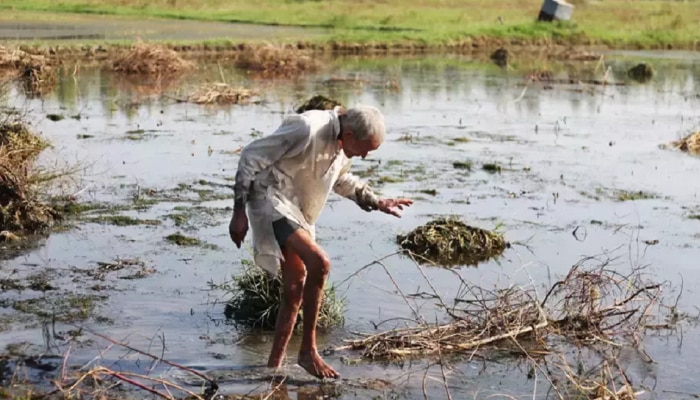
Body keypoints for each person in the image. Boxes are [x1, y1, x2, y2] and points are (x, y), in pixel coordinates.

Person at [228, 104, 413, 379]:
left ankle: (272, 369)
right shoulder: (307, 128)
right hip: (270, 198)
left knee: (295, 288)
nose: (362, 155)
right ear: (349, 133)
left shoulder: (342, 144)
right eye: (364, 148)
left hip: (298, 209)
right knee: (320, 262)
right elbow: (251, 156)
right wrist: (238, 211)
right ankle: (308, 351)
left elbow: (339, 180)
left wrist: (375, 200)